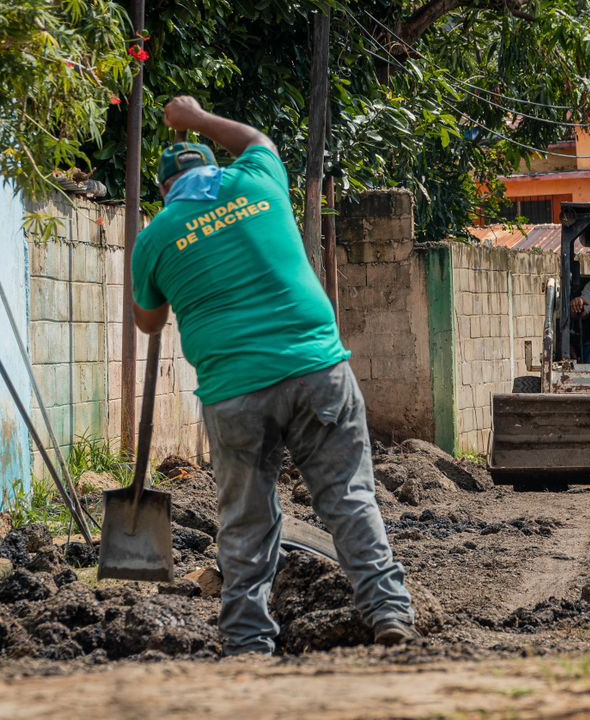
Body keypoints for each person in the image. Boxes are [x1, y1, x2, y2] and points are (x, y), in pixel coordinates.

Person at [130, 96, 417, 654]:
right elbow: (258, 138)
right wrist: (195, 119)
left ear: (165, 192)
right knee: (350, 498)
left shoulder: (156, 237)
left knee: (245, 519)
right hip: (317, 371)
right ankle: (389, 612)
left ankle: (247, 643)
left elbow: (148, 322)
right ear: (214, 170)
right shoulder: (258, 180)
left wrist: (163, 270)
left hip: (236, 392)